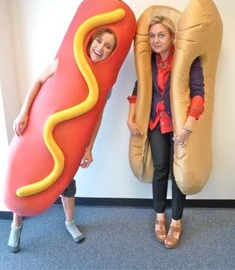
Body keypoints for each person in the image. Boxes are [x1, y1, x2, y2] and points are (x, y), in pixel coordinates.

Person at [8, 27, 117, 253]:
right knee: (26, 175)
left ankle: (69, 221)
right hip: (39, 130)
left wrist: (89, 147)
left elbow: (97, 116)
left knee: (66, 180)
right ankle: (16, 224)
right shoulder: (63, 62)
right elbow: (37, 82)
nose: (101, 48)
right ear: (90, 41)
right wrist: (23, 112)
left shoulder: (105, 81)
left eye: (108, 46)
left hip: (68, 140)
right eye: (99, 41)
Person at [127, 15, 204, 249]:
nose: (156, 40)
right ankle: (160, 215)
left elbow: (199, 93)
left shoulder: (187, 59)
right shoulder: (147, 61)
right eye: (152, 36)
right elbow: (138, 90)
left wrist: (188, 126)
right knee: (161, 168)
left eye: (161, 35)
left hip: (180, 124)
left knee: (179, 172)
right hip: (155, 123)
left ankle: (177, 220)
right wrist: (130, 118)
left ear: (172, 37)